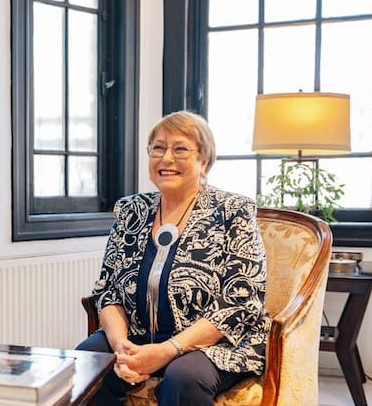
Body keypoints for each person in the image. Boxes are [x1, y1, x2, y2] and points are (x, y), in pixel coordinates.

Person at [76, 111, 270, 405]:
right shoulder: (131, 211)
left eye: (180, 149)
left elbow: (240, 300)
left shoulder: (233, 211)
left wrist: (167, 350)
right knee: (88, 360)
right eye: (158, 148)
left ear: (204, 160)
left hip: (214, 344)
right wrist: (121, 347)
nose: (166, 159)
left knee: (184, 377)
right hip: (137, 335)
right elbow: (108, 290)